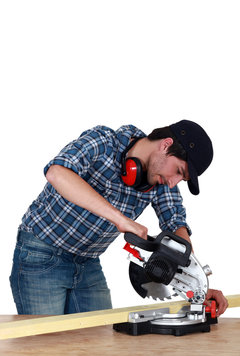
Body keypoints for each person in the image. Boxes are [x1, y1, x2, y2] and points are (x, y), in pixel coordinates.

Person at [10, 120, 228, 316]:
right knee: (44, 347)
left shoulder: (160, 180)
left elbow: (177, 226)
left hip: (87, 263)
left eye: (181, 179)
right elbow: (57, 173)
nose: (173, 182)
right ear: (165, 145)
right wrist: (121, 220)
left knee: (99, 345)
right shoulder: (103, 142)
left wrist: (198, 285)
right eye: (179, 171)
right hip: (41, 256)